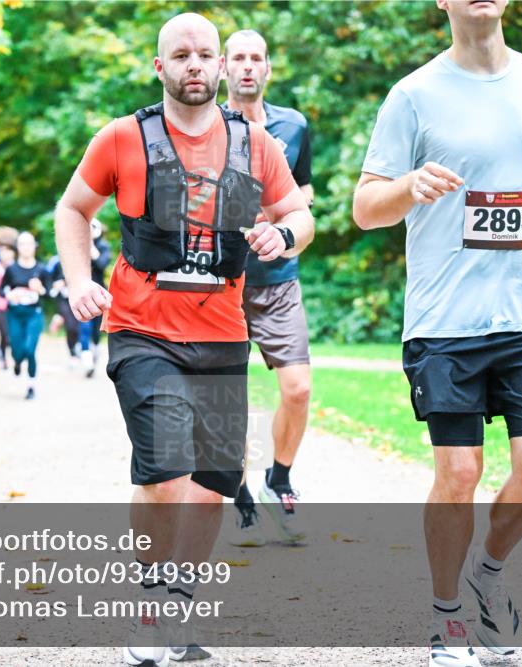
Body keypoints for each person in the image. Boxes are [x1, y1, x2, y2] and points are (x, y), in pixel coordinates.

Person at [55, 12, 313, 666]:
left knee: (211, 484)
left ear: (221, 68)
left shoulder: (257, 145)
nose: (195, 64)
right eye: (182, 55)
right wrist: (79, 278)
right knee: (166, 467)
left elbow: (299, 214)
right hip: (143, 328)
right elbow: (72, 208)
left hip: (223, 331)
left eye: (206, 55)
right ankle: (147, 603)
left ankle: (176, 596)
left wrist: (280, 236)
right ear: (160, 66)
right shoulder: (122, 138)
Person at [352, 1, 522, 665]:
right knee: (458, 471)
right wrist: (408, 185)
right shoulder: (413, 95)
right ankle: (446, 616)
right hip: (446, 322)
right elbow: (364, 206)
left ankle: (486, 575)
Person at [222, 29, 315, 546]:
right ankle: (239, 497)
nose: (248, 67)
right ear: (222, 68)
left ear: (269, 68)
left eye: (257, 58)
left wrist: (289, 217)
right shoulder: (205, 125)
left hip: (278, 278)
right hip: (222, 281)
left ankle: (279, 479)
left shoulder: (294, 125)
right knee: (228, 398)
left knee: (297, 389)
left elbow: (304, 190)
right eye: (238, 58)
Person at [1, 231, 49, 400]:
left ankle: (31, 387)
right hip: (15, 313)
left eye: (29, 243)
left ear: (34, 246)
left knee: (30, 349)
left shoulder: (41, 269)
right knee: (17, 351)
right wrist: (9, 295)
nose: (26, 247)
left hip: (34, 314)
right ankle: (16, 361)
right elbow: (2, 289)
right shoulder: (11, 269)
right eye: (22, 244)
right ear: (18, 248)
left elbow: (49, 294)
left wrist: (40, 289)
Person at [77, 218, 112, 378]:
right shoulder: (78, 246)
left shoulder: (104, 246)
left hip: (98, 293)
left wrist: (90, 247)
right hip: (82, 293)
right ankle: (87, 361)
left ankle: (95, 350)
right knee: (84, 327)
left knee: (96, 332)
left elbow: (101, 265)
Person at [47, 254, 83, 367]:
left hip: (78, 296)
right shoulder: (55, 261)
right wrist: (55, 285)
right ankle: (72, 354)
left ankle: (77, 345)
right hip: (63, 299)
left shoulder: (80, 260)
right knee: (70, 326)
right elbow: (47, 278)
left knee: (77, 326)